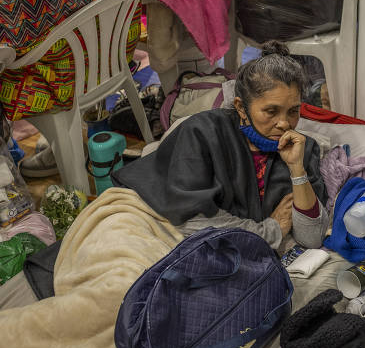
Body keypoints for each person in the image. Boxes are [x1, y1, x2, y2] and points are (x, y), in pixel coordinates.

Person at [112, 41, 329, 249]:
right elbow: (192, 222)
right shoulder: (202, 132)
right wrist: (270, 231)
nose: (284, 123)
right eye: (271, 111)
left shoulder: (301, 149)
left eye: (293, 111)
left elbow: (311, 238)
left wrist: (297, 171)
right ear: (241, 108)